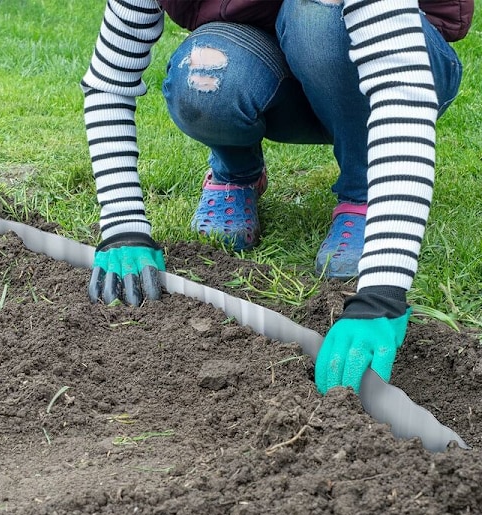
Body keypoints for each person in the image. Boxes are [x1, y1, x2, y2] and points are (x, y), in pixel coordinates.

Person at [81, 0, 467, 395]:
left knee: (315, 18)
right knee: (204, 70)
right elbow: (108, 81)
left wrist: (383, 293)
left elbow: (401, 87)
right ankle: (237, 173)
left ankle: (363, 190)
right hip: (270, 62)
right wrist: (123, 225)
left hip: (397, 56)